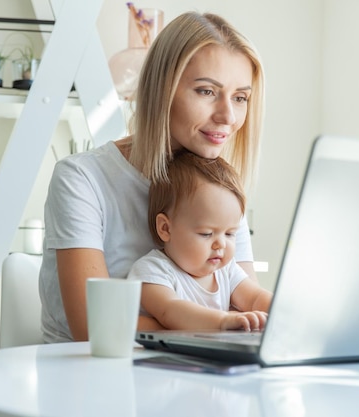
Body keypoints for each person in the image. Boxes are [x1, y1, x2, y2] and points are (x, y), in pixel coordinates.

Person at [39, 11, 267, 343]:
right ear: (162, 89)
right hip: (88, 378)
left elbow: (246, 310)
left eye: (240, 98)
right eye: (206, 91)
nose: (228, 116)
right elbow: (95, 327)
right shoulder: (82, 179)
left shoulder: (219, 192)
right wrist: (215, 325)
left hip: (183, 377)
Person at [127, 150, 272, 331]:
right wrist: (222, 321)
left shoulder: (226, 270)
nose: (221, 244)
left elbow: (254, 298)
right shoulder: (152, 270)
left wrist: (280, 311)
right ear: (165, 228)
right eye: (206, 233)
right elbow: (170, 311)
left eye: (229, 234)